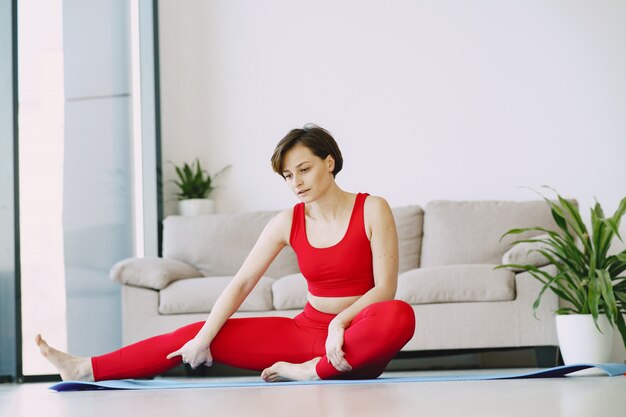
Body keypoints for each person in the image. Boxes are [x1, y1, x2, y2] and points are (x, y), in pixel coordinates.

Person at [36, 124, 416, 382]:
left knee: (400, 316)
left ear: (329, 163)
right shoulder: (287, 222)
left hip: (356, 338)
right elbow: (242, 283)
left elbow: (385, 289)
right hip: (304, 334)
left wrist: (338, 325)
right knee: (196, 333)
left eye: (304, 169)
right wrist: (205, 336)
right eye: (287, 175)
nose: (296, 182)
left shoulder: (372, 208)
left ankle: (308, 372)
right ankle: (85, 368)